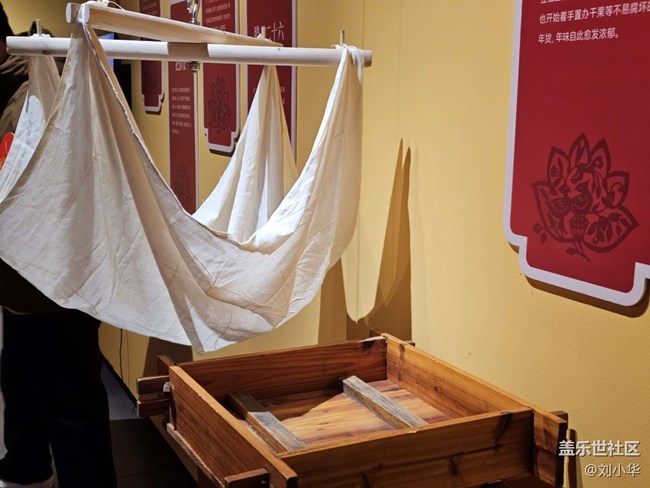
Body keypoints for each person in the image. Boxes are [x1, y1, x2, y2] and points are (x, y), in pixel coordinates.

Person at [0, 4, 117, 487]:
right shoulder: (18, 87)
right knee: (24, 387)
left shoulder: (33, 94)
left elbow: (22, 187)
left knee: (72, 409)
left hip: (54, 287)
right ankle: (25, 466)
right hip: (26, 285)